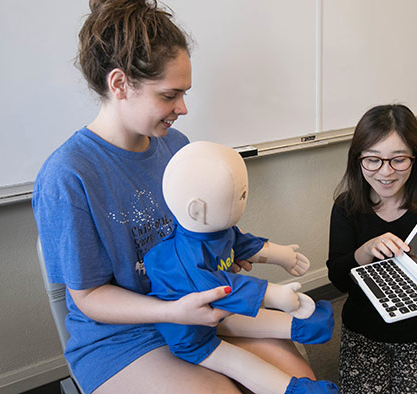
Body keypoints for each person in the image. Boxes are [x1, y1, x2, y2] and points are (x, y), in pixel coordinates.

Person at [32, 1, 315, 392]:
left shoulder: (177, 146)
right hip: (122, 337)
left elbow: (202, 230)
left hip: (199, 305)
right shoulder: (68, 176)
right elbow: (89, 296)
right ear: (119, 85)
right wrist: (172, 311)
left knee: (300, 380)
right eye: (170, 95)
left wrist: (227, 256)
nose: (182, 108)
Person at [144, 141, 336, 394]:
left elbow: (242, 243)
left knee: (251, 318)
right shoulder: (182, 259)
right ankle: (289, 390)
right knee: (241, 363)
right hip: (193, 334)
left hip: (221, 314)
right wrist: (272, 294)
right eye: (240, 195)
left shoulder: (217, 231)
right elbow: (223, 289)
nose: (244, 200)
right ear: (198, 210)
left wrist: (282, 255)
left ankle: (302, 325)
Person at [326, 104, 417, 393]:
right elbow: (338, 279)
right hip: (363, 330)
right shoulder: (346, 207)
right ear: (358, 160)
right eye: (373, 160)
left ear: (415, 159)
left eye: (398, 160)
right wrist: (364, 251)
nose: (386, 172)